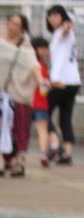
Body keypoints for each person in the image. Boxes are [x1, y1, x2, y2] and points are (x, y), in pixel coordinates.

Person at [0, 13, 39, 177]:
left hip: (19, 96)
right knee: (5, 129)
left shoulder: (26, 47)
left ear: (22, 28)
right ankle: (8, 161)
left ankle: (20, 162)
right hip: (1, 95)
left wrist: (41, 80)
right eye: (11, 22)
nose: (13, 26)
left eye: (17, 24)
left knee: (20, 130)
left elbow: (33, 66)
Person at [46, 4, 79, 165]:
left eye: (56, 15)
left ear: (63, 17)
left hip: (60, 82)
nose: (53, 19)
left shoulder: (65, 31)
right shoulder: (60, 33)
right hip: (73, 81)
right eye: (50, 16)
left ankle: (55, 144)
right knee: (65, 117)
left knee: (41, 112)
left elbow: (67, 30)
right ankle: (67, 153)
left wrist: (67, 25)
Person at [32, 36, 53, 167]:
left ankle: (16, 153)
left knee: (20, 129)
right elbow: (45, 85)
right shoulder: (42, 65)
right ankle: (43, 154)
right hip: (40, 102)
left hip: (29, 101)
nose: (45, 50)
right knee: (42, 130)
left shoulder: (31, 64)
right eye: (42, 48)